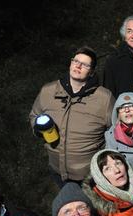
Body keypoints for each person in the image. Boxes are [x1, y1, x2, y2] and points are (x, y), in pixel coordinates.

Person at [29, 46, 114, 185]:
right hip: (57, 171)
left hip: (90, 175)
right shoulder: (48, 91)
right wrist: (38, 128)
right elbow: (34, 115)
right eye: (76, 61)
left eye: (85, 64)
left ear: (91, 71)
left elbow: (115, 130)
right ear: (71, 63)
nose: (78, 66)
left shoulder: (104, 98)